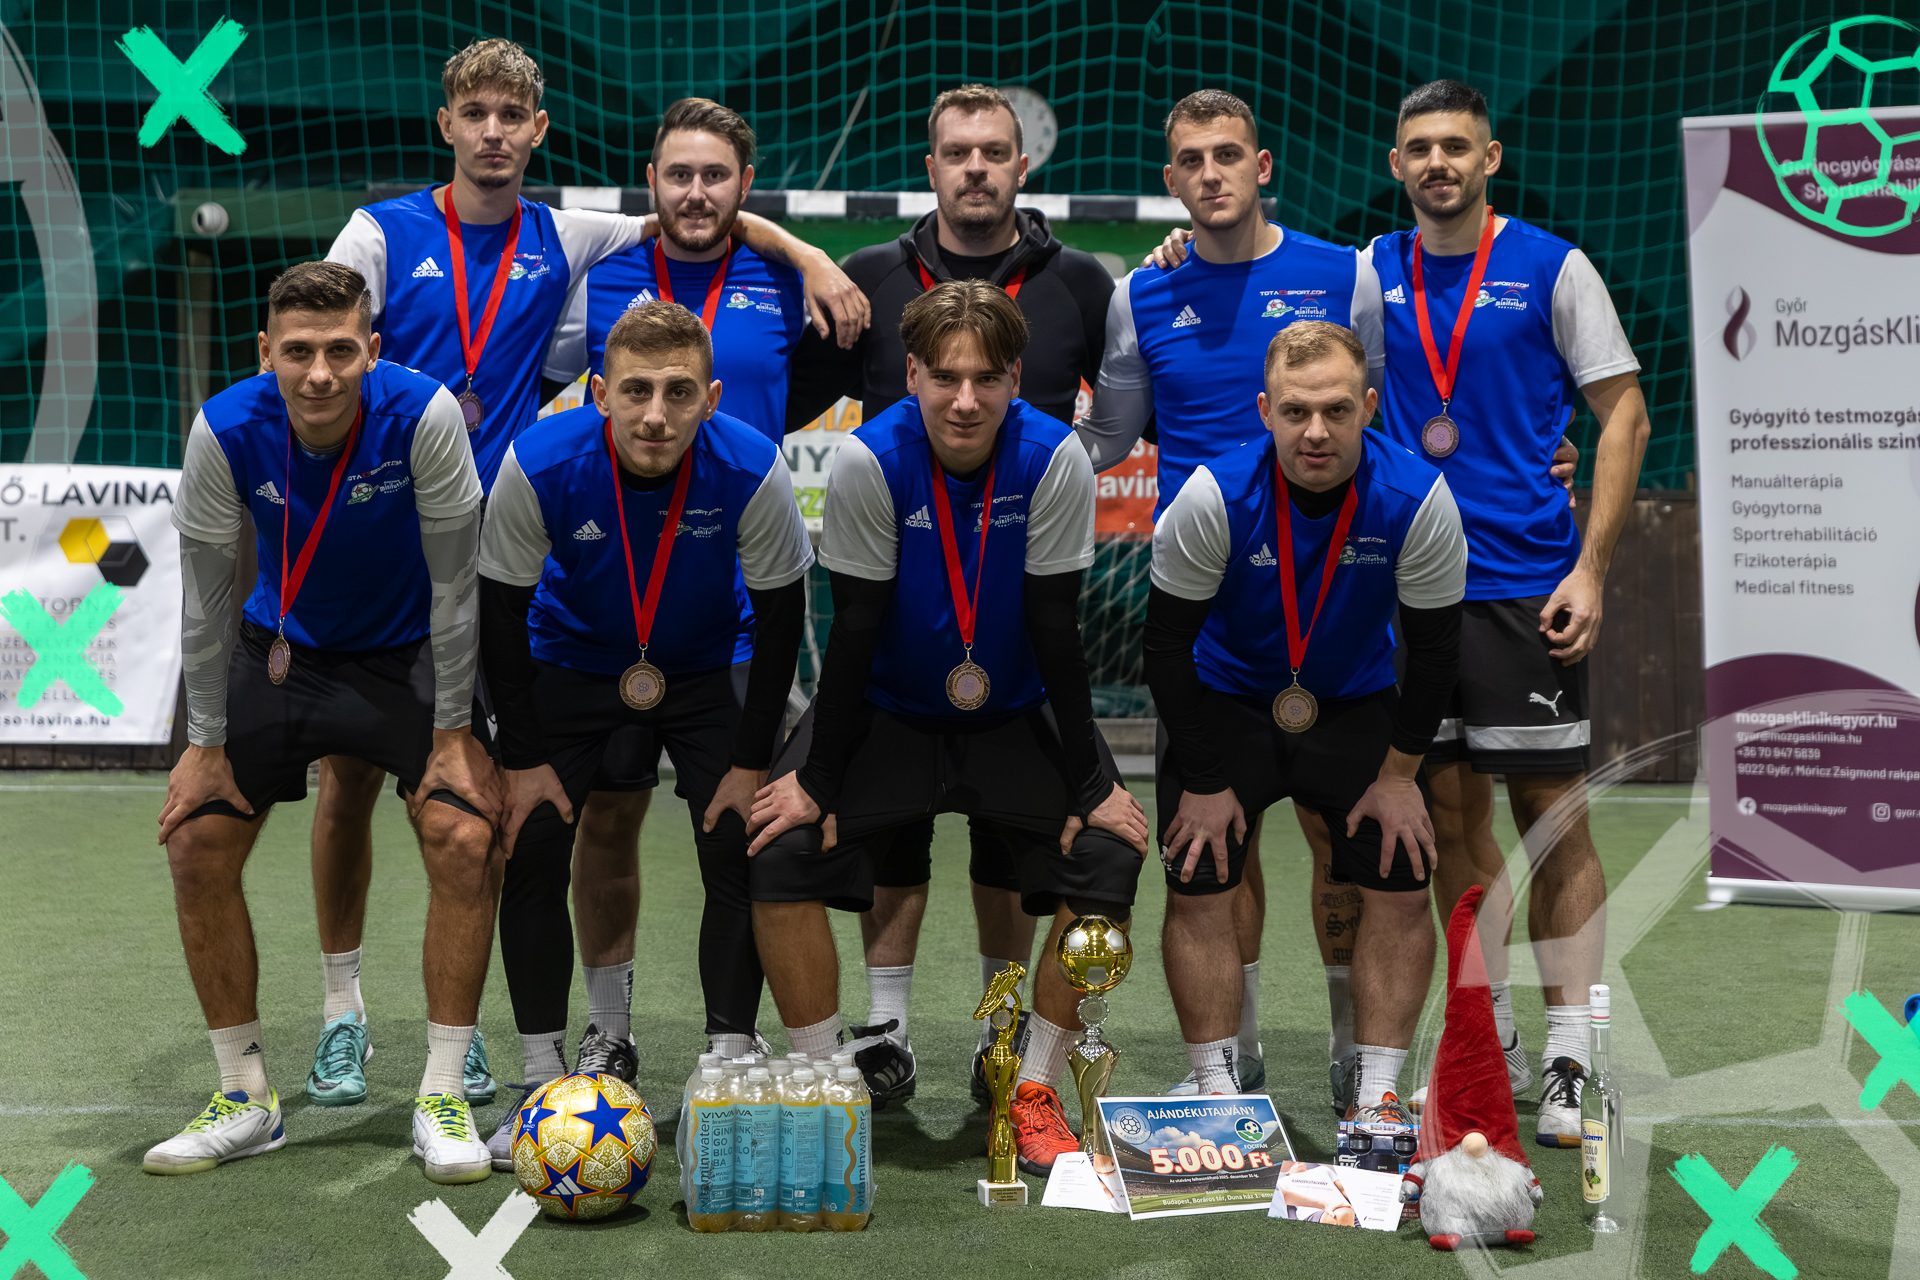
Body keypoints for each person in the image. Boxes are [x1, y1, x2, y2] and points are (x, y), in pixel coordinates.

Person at [314, 38, 866, 1107]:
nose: (491, 130)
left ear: (538, 129)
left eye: (510, 113)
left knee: (722, 828)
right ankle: (363, 1014)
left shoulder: (582, 240)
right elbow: (329, 333)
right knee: (384, 789)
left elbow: (708, 218)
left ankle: (736, 1044)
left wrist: (809, 255)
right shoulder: (423, 239)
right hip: (453, 558)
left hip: (711, 601)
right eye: (474, 111)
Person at [747, 280, 1149, 1177]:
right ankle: (825, 1085)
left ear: (1016, 379)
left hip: (1013, 708)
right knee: (778, 847)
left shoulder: (1054, 457)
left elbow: (1055, 628)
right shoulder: (868, 457)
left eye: (986, 379)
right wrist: (819, 781)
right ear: (911, 375)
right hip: (887, 706)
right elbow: (854, 630)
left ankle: (1033, 1089)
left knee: (1108, 856)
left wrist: (1093, 785)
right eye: (945, 378)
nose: (965, 401)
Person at [785, 83, 1120, 1107]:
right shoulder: (870, 285)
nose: (975, 167)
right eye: (957, 151)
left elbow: (1143, 405)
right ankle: (877, 1036)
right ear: (929, 166)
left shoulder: (1079, 288)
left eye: (994, 151)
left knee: (1025, 845)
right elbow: (775, 400)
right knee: (865, 834)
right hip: (902, 644)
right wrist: (798, 254)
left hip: (1014, 639)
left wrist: (1093, 777)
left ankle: (1008, 1041)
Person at [144, 262, 501, 1185]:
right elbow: (204, 600)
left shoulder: (424, 417)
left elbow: (458, 585)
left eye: (341, 351)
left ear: (371, 350)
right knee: (195, 840)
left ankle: (442, 1093)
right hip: (283, 653)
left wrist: (453, 735)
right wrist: (204, 745)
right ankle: (244, 1098)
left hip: (408, 652)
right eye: (298, 352)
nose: (319, 374)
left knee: (466, 835)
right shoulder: (225, 428)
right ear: (265, 352)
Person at [1082, 89, 1385, 1096]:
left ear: (1262, 166)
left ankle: (1354, 1058)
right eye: (1190, 160)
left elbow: (1380, 411)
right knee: (1217, 841)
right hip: (1206, 623)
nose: (1209, 173)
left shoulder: (1345, 275)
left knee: (1346, 844)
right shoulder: (1142, 293)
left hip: (1337, 606)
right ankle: (1233, 1061)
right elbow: (1109, 437)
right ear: (1170, 179)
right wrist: (1006, 460)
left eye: (1226, 155)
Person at [1365, 79, 1648, 1146]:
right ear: (1397, 164)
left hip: (1527, 587)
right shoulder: (1370, 271)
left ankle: (1574, 1053)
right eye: (1419, 147)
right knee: (1447, 824)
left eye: (1456, 146)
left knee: (1553, 817)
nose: (1437, 162)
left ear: (1490, 157)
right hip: (1412, 591)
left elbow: (1623, 412)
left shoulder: (1552, 266)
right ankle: (1491, 1037)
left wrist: (1591, 571)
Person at [474, 300, 813, 1168]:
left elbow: (782, 619)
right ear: (599, 393)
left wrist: (749, 762)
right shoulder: (537, 463)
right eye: (635, 391)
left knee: (738, 838)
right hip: (572, 658)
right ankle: (548, 1074)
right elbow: (499, 613)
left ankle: (726, 1061)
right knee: (534, 839)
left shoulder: (752, 465)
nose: (656, 414)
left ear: (711, 397)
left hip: (706, 665)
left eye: (679, 392)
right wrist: (522, 759)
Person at [530, 99, 810, 1070]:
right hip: (606, 598)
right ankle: (608, 1033)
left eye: (716, 174)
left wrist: (808, 255)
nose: (696, 191)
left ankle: (734, 1039)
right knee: (607, 817)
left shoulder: (788, 277)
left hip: (733, 605)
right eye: (678, 174)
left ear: (746, 186)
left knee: (742, 826)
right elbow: (546, 383)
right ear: (650, 184)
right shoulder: (601, 275)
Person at [1145, 321, 1464, 1121]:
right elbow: (1165, 649)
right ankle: (1218, 1085)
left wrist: (1400, 777)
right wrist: (1205, 779)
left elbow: (1433, 656)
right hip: (1223, 703)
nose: (1315, 431)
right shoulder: (1213, 496)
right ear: (1265, 411)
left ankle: (1376, 1092)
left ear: (1369, 407)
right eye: (1294, 412)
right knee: (1199, 881)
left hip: (1354, 703)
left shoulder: (1418, 498)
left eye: (1335, 410)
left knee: (1399, 881)